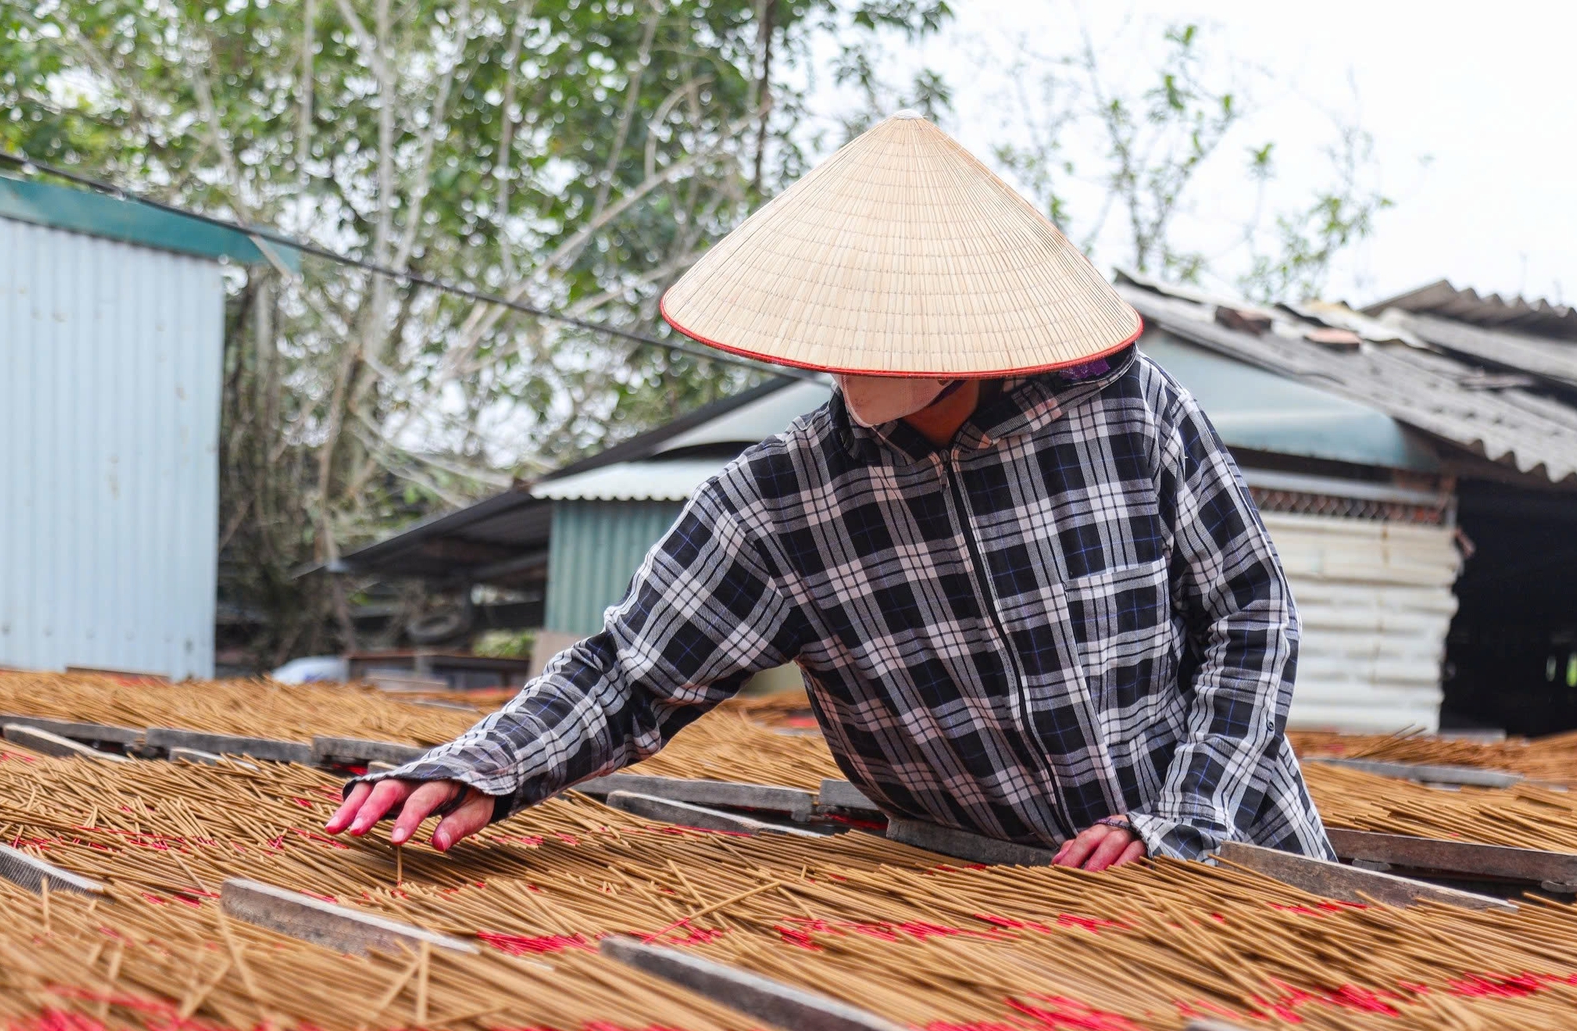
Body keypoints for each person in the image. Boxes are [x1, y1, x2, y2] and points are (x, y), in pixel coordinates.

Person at [327, 113, 1333, 872]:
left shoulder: (1130, 414)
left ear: (976, 315)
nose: (865, 354)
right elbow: (633, 672)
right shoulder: (783, 500)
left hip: (1234, 861)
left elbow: (1252, 616)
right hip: (998, 901)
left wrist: (1183, 818)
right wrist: (483, 769)